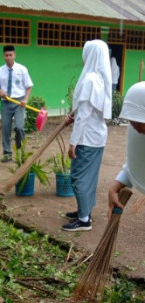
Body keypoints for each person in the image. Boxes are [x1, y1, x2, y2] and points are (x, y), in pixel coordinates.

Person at [62, 39, 112, 232]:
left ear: (90, 55)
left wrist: (72, 143)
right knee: (89, 177)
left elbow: (83, 116)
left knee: (78, 177)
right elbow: (86, 110)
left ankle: (84, 220)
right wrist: (73, 115)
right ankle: (85, 211)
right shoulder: (99, 79)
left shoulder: (90, 79)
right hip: (97, 136)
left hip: (86, 138)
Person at [108, 81, 145, 218]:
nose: (135, 126)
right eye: (131, 120)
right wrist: (113, 188)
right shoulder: (137, 131)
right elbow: (135, 163)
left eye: (140, 122)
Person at [0, 45, 33, 163]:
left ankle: (21, 151)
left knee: (19, 127)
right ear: (3, 56)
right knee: (5, 128)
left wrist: (25, 99)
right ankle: (7, 153)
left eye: (11, 55)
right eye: (6, 55)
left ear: (14, 55)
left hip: (19, 102)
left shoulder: (22, 69)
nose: (9, 57)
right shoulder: (0, 71)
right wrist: (0, 91)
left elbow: (29, 86)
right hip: (6, 103)